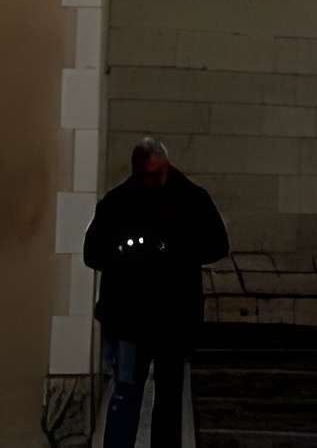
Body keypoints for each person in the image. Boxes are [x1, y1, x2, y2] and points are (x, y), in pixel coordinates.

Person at [81, 137, 228, 448]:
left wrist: (171, 251)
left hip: (164, 317)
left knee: (161, 396)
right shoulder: (120, 202)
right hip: (138, 317)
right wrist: (129, 255)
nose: (153, 182)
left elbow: (217, 244)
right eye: (148, 175)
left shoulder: (187, 199)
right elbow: (92, 253)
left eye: (157, 174)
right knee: (130, 391)